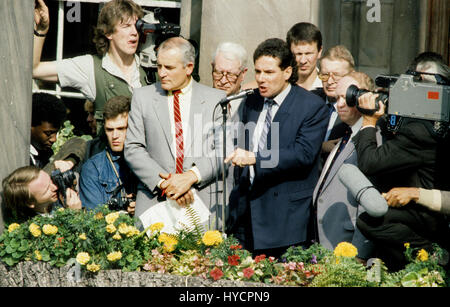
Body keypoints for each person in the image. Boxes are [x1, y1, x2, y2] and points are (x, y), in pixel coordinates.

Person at [225, 38, 329, 258]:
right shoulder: (252, 101)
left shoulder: (311, 106)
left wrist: (256, 158)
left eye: (269, 72)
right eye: (258, 71)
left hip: (285, 219)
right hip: (245, 215)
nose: (261, 79)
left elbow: (303, 154)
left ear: (287, 71)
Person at [354, 55, 450, 271]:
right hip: (428, 214)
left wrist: (369, 121)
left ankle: (433, 256)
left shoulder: (420, 130)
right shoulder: (437, 123)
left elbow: (370, 163)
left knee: (371, 220)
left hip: (426, 218)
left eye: (427, 86)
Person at [124, 37, 227, 228]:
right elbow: (133, 148)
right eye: (159, 66)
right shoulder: (142, 97)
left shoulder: (216, 100)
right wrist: (167, 184)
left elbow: (223, 150)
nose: (162, 73)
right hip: (155, 200)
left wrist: (190, 177)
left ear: (188, 68)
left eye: (169, 68)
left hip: (202, 200)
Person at [33, 0, 147, 136]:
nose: (134, 32)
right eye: (126, 26)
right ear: (108, 33)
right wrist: (41, 31)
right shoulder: (90, 67)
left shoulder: (151, 67)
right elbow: (35, 69)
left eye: (137, 26)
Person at [312, 72, 375, 260]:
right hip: (328, 242)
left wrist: (360, 254)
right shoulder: (344, 136)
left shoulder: (371, 139)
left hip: (349, 247)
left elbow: (370, 204)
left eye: (345, 97)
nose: (339, 104)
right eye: (336, 98)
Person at [79, 96, 137, 214]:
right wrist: (122, 210)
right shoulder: (93, 168)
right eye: (110, 130)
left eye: (121, 129)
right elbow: (94, 219)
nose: (115, 136)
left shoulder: (150, 159)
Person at [2, 166, 81, 224]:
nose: (55, 187)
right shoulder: (36, 228)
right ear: (30, 203)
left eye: (50, 180)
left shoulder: (57, 194)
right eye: (46, 190)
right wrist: (75, 215)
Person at [317, 45, 356, 156]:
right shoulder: (308, 100)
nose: (329, 81)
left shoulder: (358, 109)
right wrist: (321, 147)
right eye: (324, 75)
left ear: (352, 75)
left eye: (336, 76)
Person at [211, 42, 248, 119]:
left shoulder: (251, 107)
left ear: (243, 74)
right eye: (219, 72)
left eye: (230, 74)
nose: (223, 81)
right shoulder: (200, 102)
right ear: (212, 67)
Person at [30, 92, 67, 168]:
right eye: (48, 133)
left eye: (56, 133)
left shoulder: (47, 154)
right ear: (31, 125)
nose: (54, 139)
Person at [286, 22, 323, 91]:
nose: (303, 61)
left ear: (319, 52)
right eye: (298, 54)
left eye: (308, 53)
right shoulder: (282, 87)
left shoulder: (328, 87)